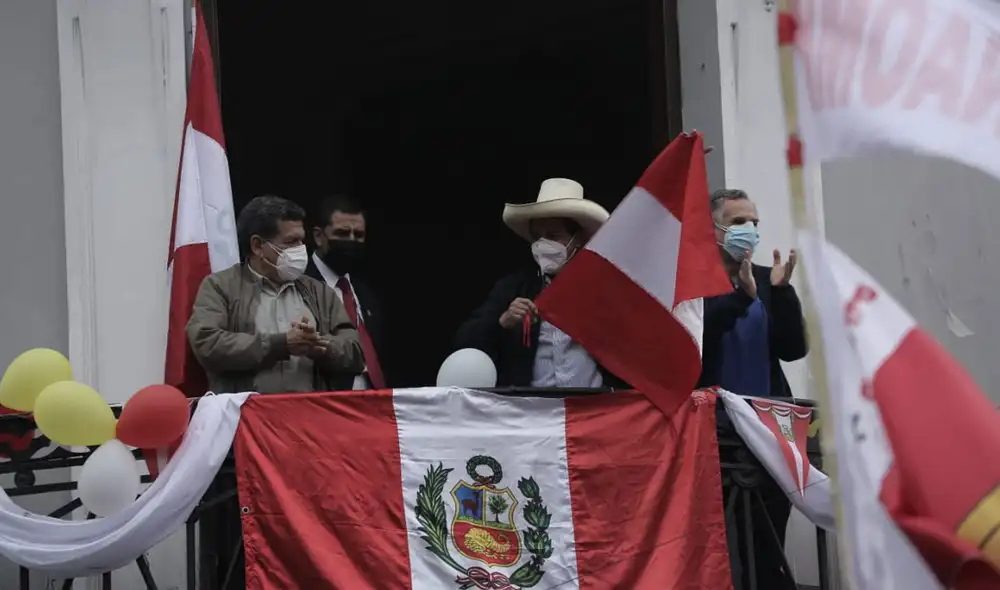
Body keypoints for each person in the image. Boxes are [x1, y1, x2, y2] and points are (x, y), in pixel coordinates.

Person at [698, 188, 807, 590]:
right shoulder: (695, 282)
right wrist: (741, 298)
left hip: (769, 435)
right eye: (740, 221)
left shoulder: (766, 277)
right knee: (719, 548)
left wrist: (781, 292)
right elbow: (698, 337)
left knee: (766, 550)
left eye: (754, 222)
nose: (750, 230)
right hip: (716, 438)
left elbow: (794, 349)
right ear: (713, 228)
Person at [454, 178, 625, 388]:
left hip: (592, 411)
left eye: (553, 235)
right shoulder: (514, 287)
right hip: (532, 412)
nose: (543, 244)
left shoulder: (605, 290)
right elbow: (465, 342)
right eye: (537, 237)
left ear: (578, 238)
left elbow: (636, 354)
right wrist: (503, 321)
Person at [187, 195, 364, 394]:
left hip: (309, 416)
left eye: (301, 241)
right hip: (247, 418)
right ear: (257, 246)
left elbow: (356, 353)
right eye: (291, 242)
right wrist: (280, 344)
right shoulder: (221, 287)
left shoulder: (320, 292)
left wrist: (321, 346)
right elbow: (207, 344)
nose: (300, 249)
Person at [305, 194, 389, 389]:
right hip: (327, 403)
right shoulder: (298, 286)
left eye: (358, 235)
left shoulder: (367, 294)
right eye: (342, 234)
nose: (351, 241)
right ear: (319, 236)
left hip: (374, 403)